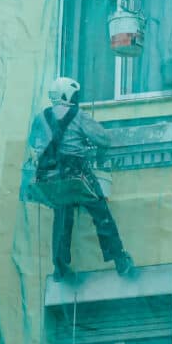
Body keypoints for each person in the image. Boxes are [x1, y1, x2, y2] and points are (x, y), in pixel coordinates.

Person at [28, 77, 135, 280]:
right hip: (75, 172)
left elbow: (34, 144)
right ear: (67, 95)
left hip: (49, 178)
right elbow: (103, 139)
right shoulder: (79, 116)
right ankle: (119, 259)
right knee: (100, 211)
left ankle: (60, 267)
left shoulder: (40, 118)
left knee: (62, 215)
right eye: (75, 95)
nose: (76, 99)